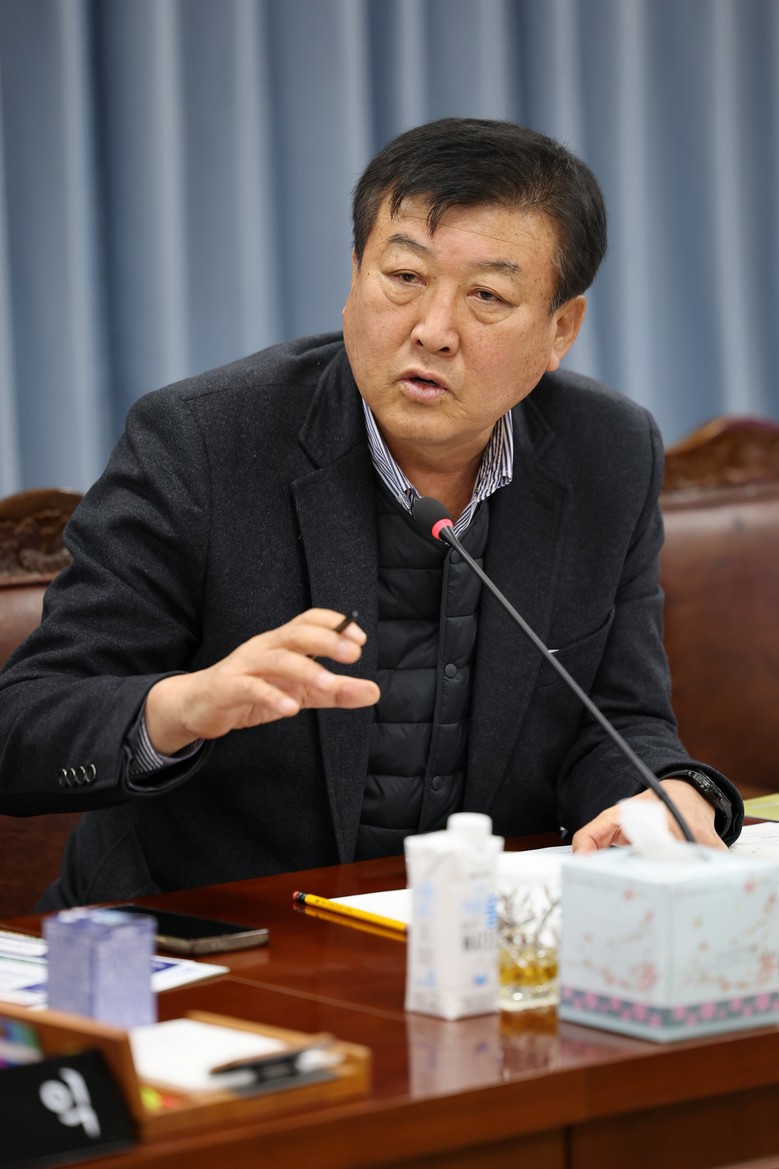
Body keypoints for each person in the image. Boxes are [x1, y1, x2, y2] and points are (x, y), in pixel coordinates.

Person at [0, 118, 742, 908]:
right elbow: (22, 727)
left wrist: (663, 791)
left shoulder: (607, 452)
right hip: (214, 935)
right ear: (355, 275)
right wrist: (183, 706)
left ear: (559, 329)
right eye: (404, 276)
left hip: (474, 933)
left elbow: (615, 715)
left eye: (487, 296)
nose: (432, 330)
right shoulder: (203, 442)